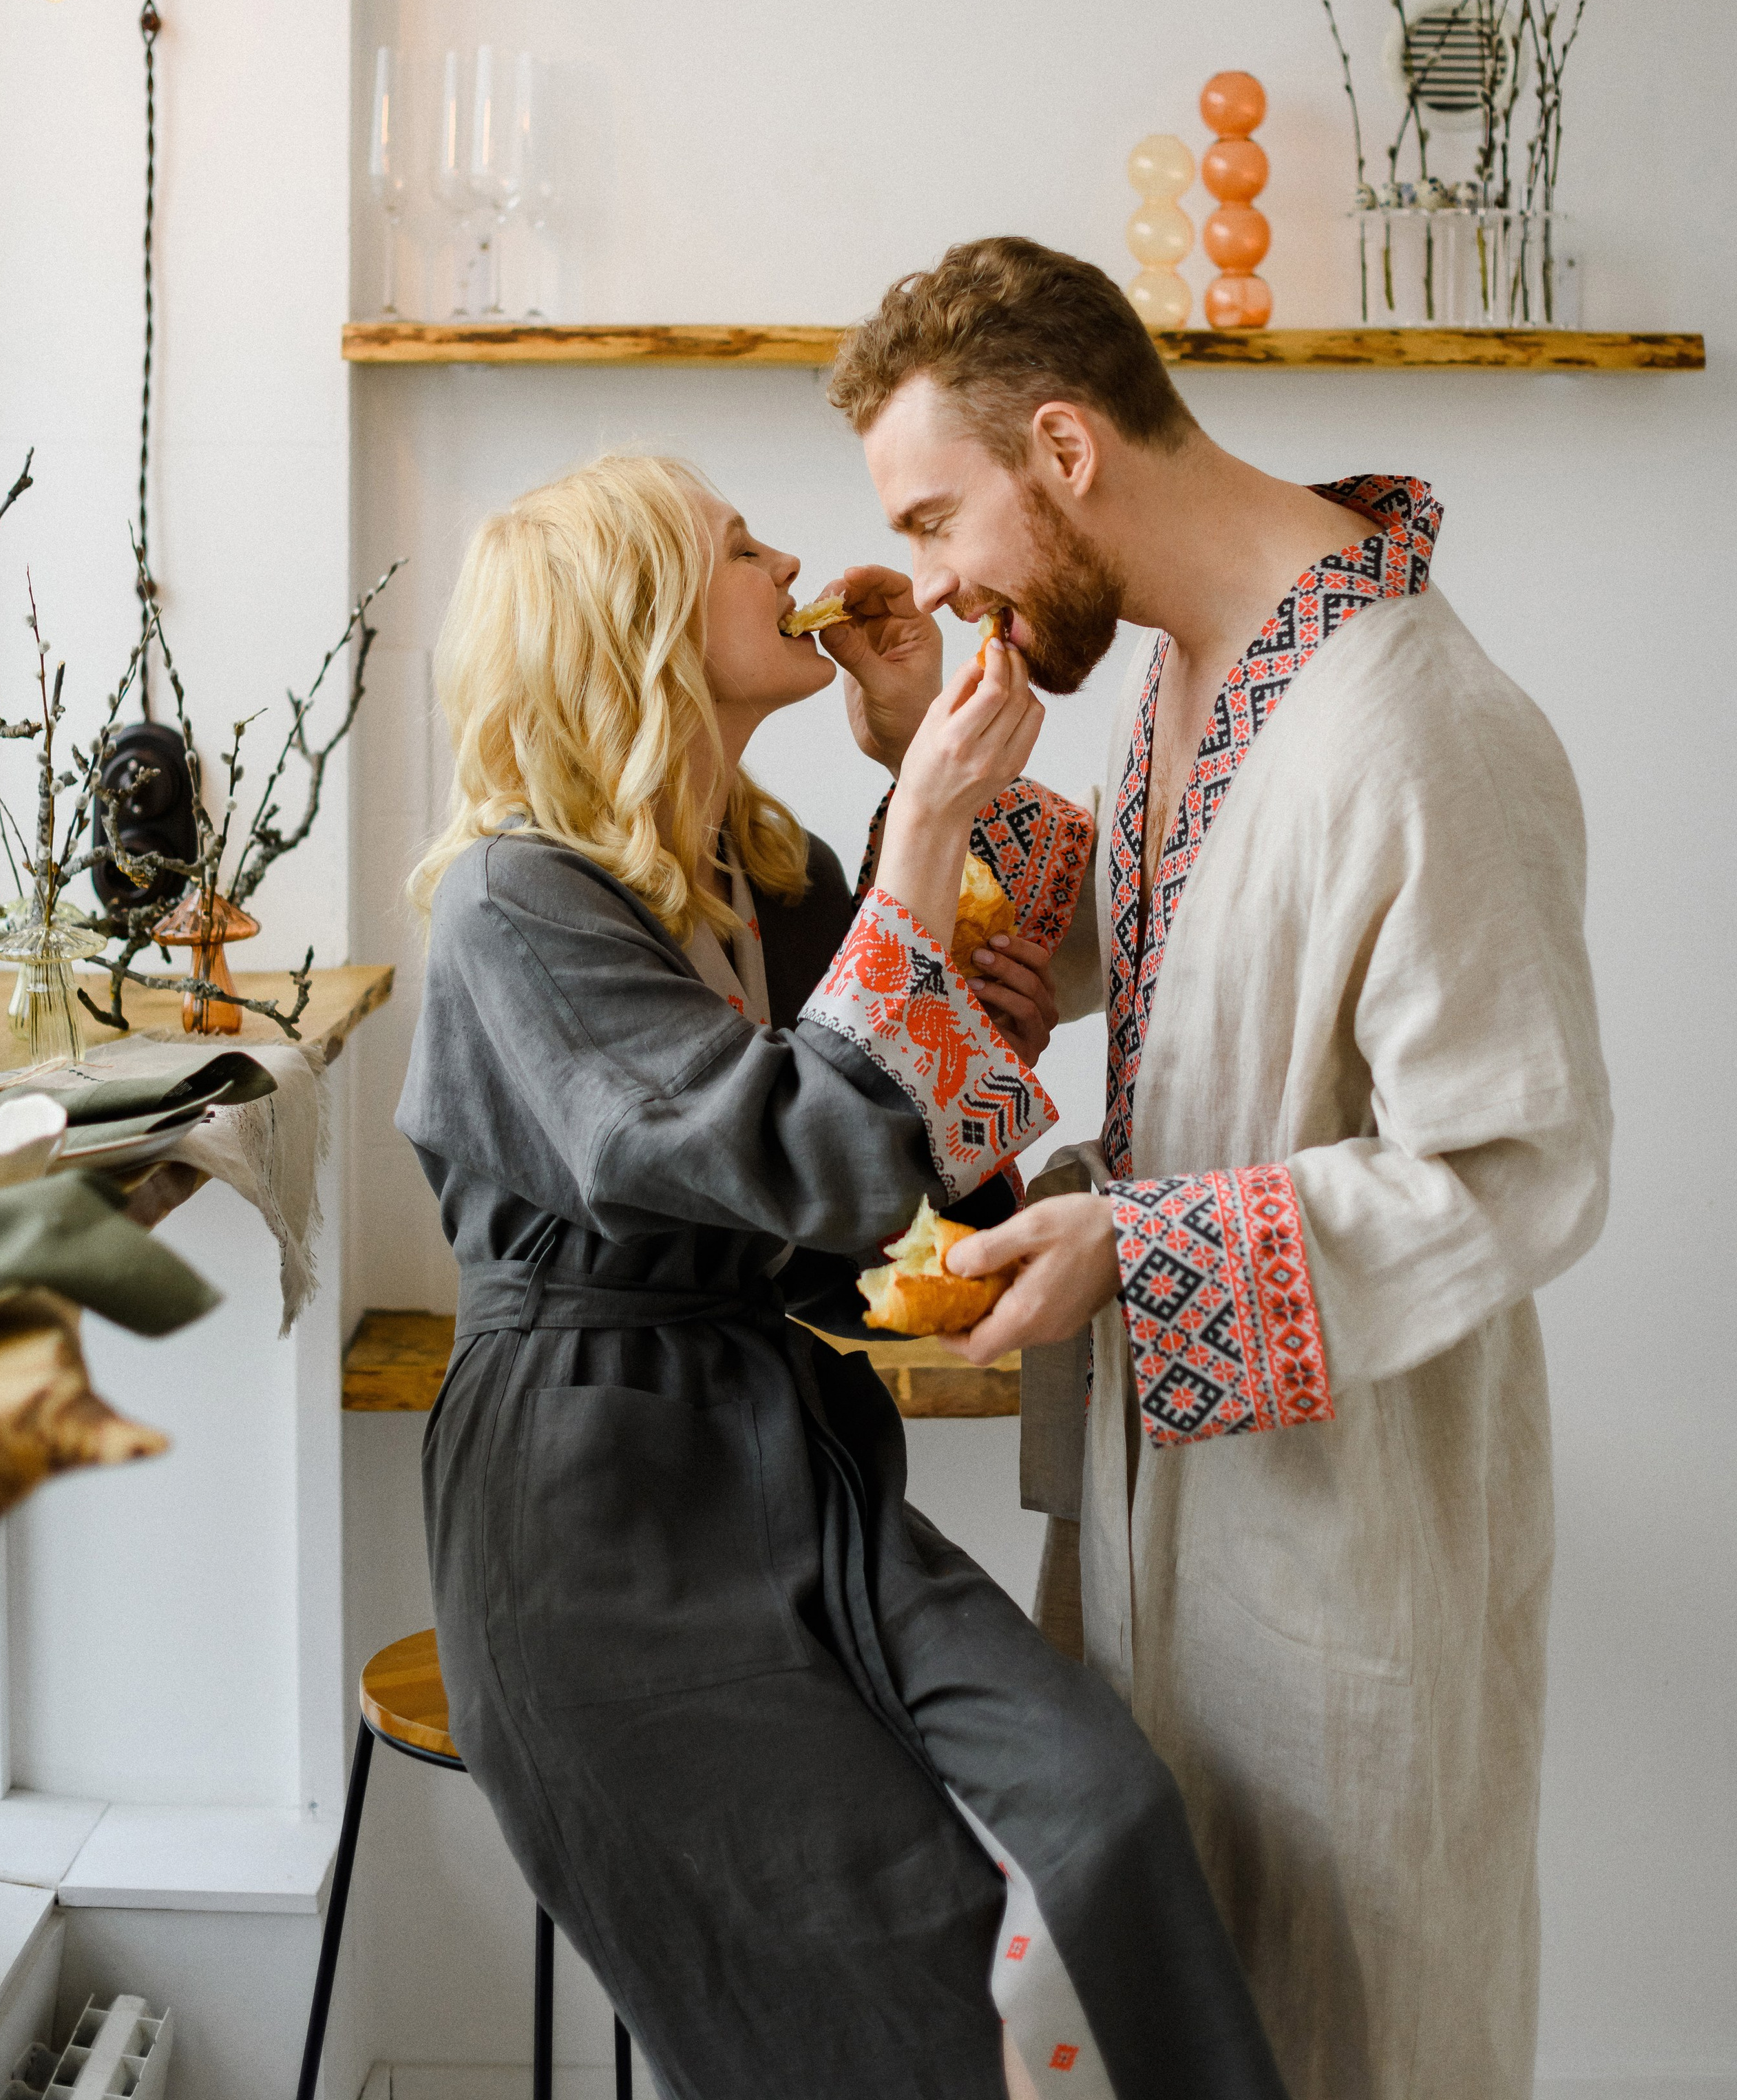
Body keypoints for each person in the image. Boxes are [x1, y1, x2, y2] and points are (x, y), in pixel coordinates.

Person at [396, 454, 1289, 2100]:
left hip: (784, 1452)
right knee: (882, 1958)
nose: (795, 554)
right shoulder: (512, 906)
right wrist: (930, 831)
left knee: (1102, 1807)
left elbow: (910, 1151)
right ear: (640, 620)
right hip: (591, 1509)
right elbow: (781, 1148)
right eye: (739, 545)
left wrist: (909, 756)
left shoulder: (766, 863)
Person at [825, 238, 1612, 2100]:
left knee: (1351, 2033)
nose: (934, 572)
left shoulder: (1427, 727)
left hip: (1352, 1545)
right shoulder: (1193, 673)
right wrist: (923, 762)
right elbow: (1191, 929)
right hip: (1171, 1518)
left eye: (941, 516)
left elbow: (1523, 1161)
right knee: (1172, 2019)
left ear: (1068, 448)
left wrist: (1141, 1248)